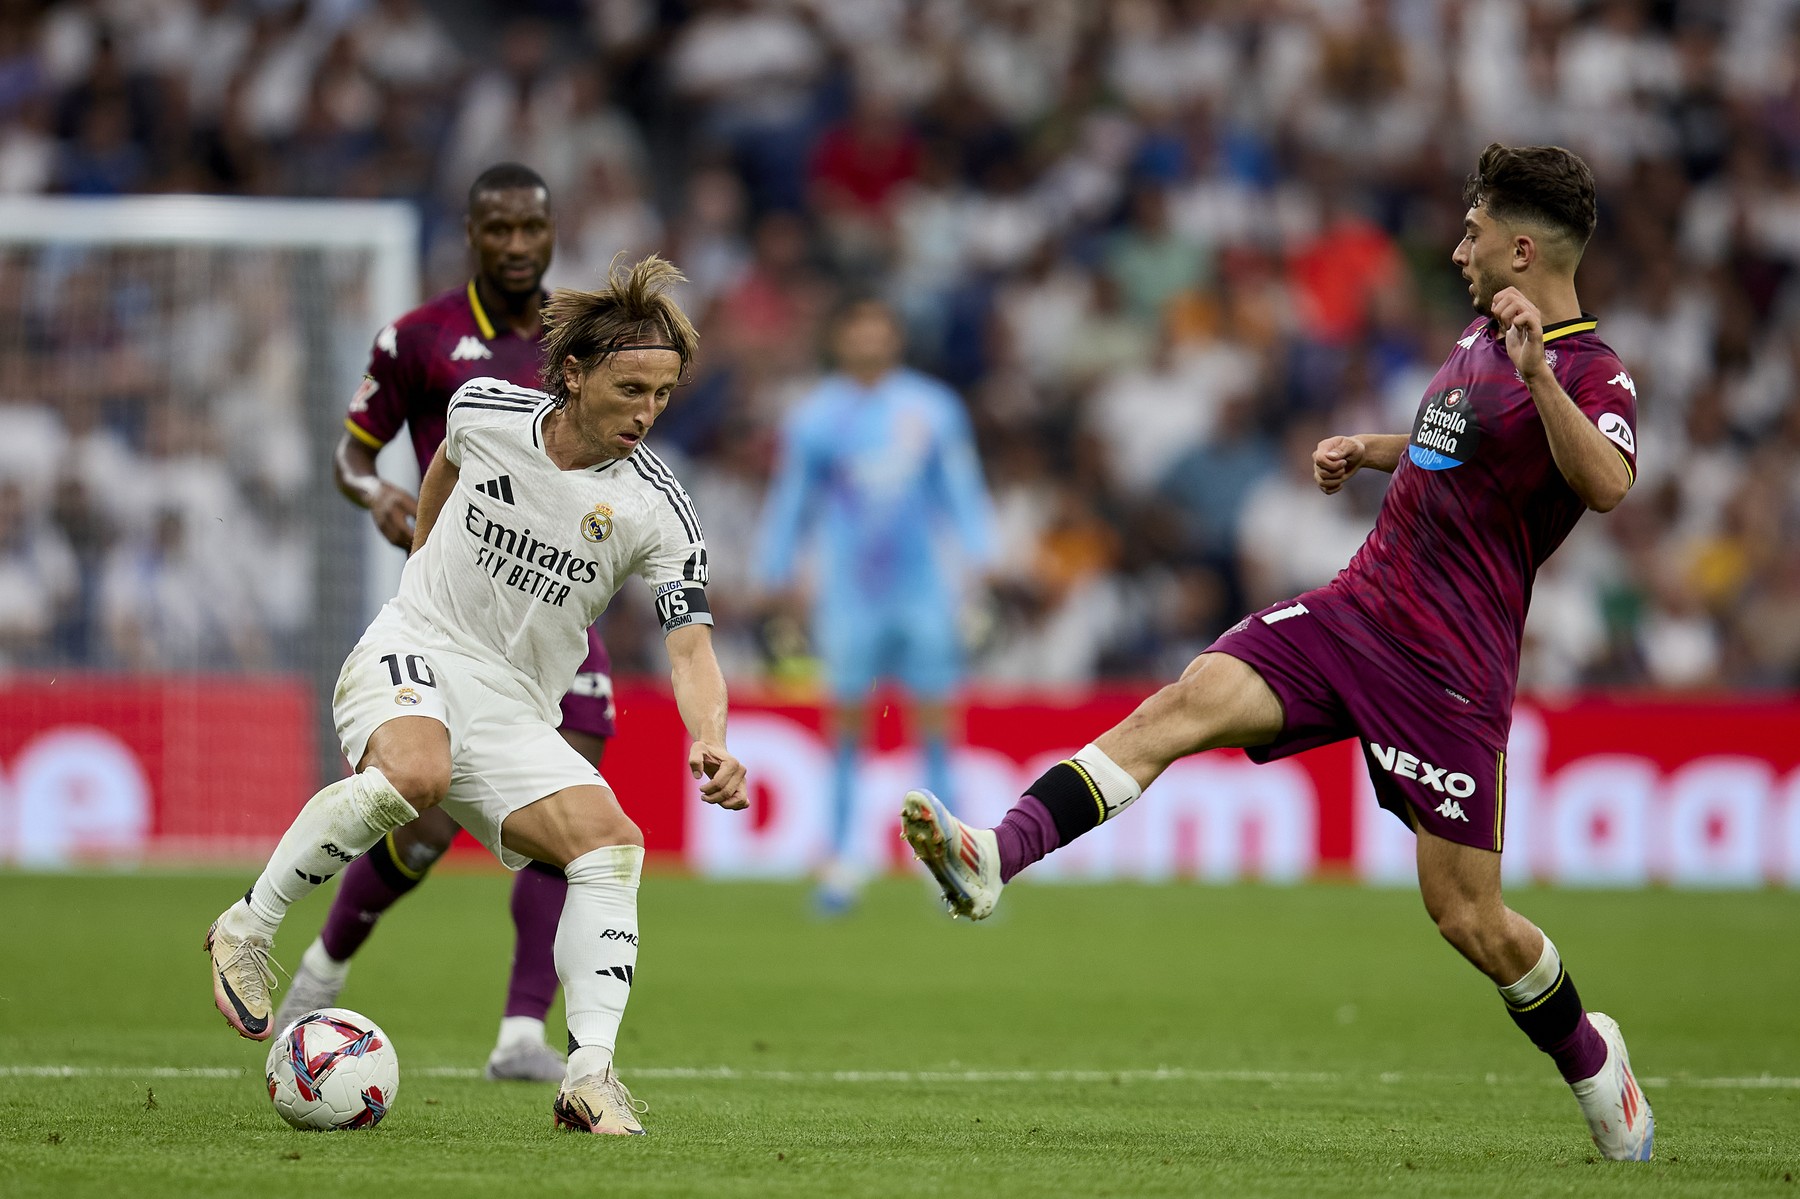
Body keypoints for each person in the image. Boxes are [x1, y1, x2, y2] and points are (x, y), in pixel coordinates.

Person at [902, 144, 1655, 1161]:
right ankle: (999, 853)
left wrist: (1539, 377)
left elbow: (1606, 481)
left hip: (1448, 673)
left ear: (1525, 246)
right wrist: (1373, 449)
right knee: (1186, 700)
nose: (1457, 246)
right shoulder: (1481, 332)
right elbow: (1461, 447)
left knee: (1470, 918)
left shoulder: (1590, 370)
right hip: (1359, 612)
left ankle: (1595, 1063)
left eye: (1474, 231)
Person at [206, 255, 747, 1136]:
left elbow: (691, 649)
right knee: (415, 776)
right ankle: (248, 928)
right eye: (630, 387)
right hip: (417, 644)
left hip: (515, 704)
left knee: (611, 846)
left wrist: (712, 736)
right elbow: (444, 471)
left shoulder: (658, 509)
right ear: (573, 373)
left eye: (663, 392)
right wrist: (419, 577)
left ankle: (591, 1075)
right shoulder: (483, 409)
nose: (647, 412)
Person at [271, 163, 621, 1083]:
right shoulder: (418, 337)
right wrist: (380, 493)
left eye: (531, 229)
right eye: (497, 229)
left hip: (559, 609)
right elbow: (350, 458)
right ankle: (322, 966)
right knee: (420, 822)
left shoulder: (579, 342)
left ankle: (519, 1033)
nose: (515, 245)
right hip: (457, 615)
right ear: (470, 232)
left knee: (574, 803)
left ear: (552, 232)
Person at [755, 297, 995, 913]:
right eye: (856, 330)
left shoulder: (932, 408)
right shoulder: (816, 416)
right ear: (841, 339)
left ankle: (950, 863)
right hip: (850, 595)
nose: (867, 340)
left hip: (923, 592)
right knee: (845, 729)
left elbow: (959, 489)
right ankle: (841, 862)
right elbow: (793, 499)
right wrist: (775, 569)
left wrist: (982, 557)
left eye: (878, 330)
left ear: (894, 338)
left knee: (938, 724)